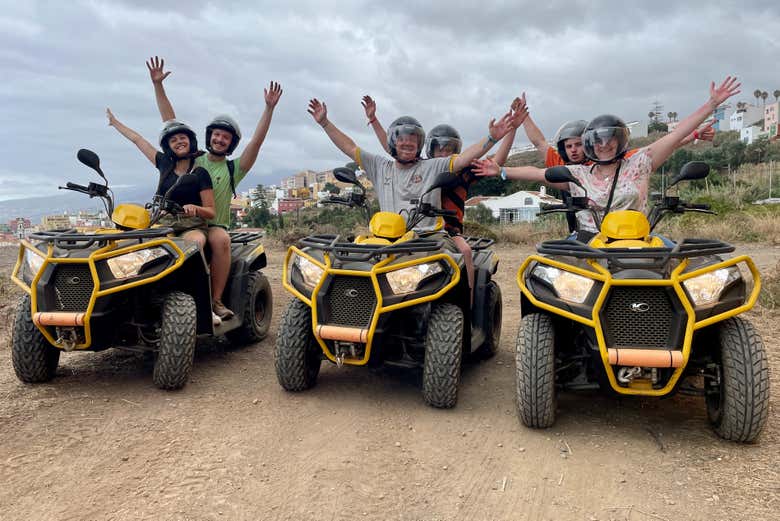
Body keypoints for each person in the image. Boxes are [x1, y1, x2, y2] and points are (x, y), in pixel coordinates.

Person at [472, 77, 740, 240]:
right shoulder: (577, 174)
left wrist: (711, 105)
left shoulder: (639, 163)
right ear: (591, 144)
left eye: (610, 139)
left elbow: (674, 136)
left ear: (621, 140)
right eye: (598, 141)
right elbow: (538, 172)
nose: (604, 145)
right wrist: (502, 170)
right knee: (548, 279)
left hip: (638, 244)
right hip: (592, 245)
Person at [146, 56, 282, 320]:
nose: (220, 139)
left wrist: (269, 109)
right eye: (217, 135)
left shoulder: (233, 169)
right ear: (209, 136)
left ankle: (215, 300)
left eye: (226, 137)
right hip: (180, 221)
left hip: (212, 223)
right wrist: (158, 86)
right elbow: (170, 122)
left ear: (230, 143)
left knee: (220, 239)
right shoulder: (192, 158)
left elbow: (257, 142)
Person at [359, 95, 527, 300]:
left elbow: (497, 160)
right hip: (411, 229)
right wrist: (374, 121)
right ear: (430, 148)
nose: (444, 153)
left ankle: (468, 298)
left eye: (450, 150)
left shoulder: (463, 171)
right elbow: (393, 148)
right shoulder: (425, 168)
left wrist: (510, 130)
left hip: (447, 230)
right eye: (440, 149)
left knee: (465, 250)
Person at [105, 110, 215, 247]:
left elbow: (211, 211)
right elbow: (138, 140)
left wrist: (195, 208)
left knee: (193, 243)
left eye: (182, 138)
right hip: (163, 222)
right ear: (168, 146)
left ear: (190, 140)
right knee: (140, 246)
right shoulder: (164, 164)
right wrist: (115, 123)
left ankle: (198, 269)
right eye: (173, 140)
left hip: (191, 225)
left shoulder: (200, 173)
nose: (179, 142)